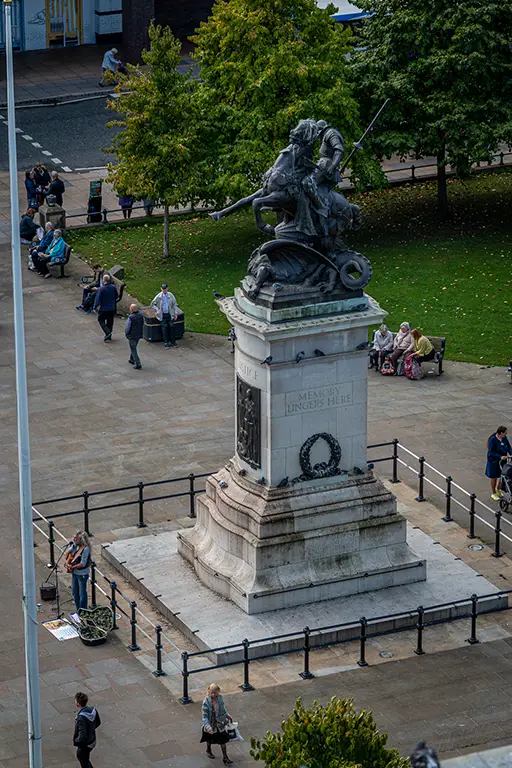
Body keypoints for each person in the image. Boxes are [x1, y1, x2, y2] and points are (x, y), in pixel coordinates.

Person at [201, 683, 233, 764]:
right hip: (211, 723)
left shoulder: (220, 698)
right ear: (209, 691)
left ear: (218, 691)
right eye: (211, 692)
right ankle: (208, 750)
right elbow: (204, 716)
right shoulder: (206, 702)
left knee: (223, 740)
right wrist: (207, 726)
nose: (213, 694)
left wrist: (227, 714)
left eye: (215, 692)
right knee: (209, 739)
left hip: (219, 723)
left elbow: (223, 708)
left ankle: (225, 757)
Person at [73, 691, 101, 768]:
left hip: (86, 744)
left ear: (77, 704)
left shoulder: (81, 718)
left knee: (82, 758)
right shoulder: (92, 710)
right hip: (92, 740)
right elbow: (98, 722)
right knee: (85, 758)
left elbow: (82, 736)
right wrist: (90, 730)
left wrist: (76, 740)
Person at [65, 531, 91, 611]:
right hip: (75, 572)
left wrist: (72, 567)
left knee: (82, 593)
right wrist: (68, 563)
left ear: (81, 539)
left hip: (82, 573)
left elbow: (82, 563)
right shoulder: (74, 545)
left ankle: (83, 611)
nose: (74, 539)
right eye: (74, 537)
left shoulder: (85, 549)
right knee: (75, 592)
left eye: (76, 538)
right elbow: (68, 553)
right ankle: (78, 609)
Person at [486, 427, 512, 501]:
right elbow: (491, 452)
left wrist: (511, 453)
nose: (506, 434)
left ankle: (498, 489)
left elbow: (508, 447)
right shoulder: (493, 440)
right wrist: (500, 456)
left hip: (502, 460)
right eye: (505, 433)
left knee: (501, 475)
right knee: (494, 477)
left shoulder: (504, 438)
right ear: (500, 433)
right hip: (494, 461)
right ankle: (493, 493)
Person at [151, 283, 178, 349]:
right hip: (162, 315)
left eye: (165, 289)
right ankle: (166, 342)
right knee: (164, 328)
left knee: (172, 326)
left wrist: (175, 313)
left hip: (170, 314)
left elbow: (174, 304)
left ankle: (172, 341)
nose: (164, 290)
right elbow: (153, 304)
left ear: (167, 288)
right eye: (163, 289)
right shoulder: (158, 296)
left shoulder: (171, 295)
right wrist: (157, 310)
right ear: (161, 289)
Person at [93, 273, 119, 342]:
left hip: (103, 309)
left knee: (100, 320)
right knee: (110, 322)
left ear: (104, 280)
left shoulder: (101, 289)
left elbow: (98, 299)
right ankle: (108, 337)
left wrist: (94, 307)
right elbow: (116, 296)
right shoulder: (113, 287)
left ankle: (107, 332)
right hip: (112, 308)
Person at [125, 303, 144, 369]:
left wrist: (126, 333)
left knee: (133, 349)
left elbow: (127, 327)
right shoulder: (141, 315)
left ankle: (138, 364)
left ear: (132, 309)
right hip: (139, 334)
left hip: (132, 335)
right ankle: (131, 359)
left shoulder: (131, 317)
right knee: (134, 346)